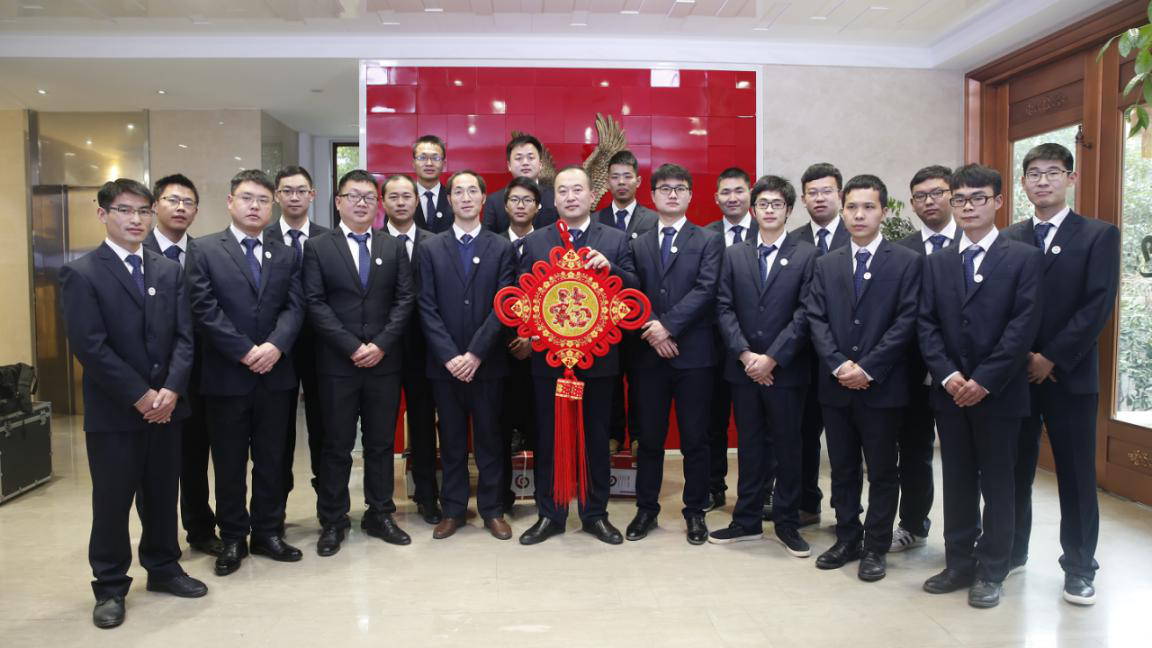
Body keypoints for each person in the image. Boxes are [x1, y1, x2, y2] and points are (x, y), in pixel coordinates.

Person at [61, 178, 207, 629]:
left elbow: (185, 337)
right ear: (103, 214)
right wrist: (140, 395)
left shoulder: (167, 270)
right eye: (125, 210)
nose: (136, 219)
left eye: (143, 211)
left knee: (162, 494)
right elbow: (90, 346)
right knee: (112, 501)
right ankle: (109, 585)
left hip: (168, 407)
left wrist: (172, 390)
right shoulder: (83, 273)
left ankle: (163, 567)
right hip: (115, 413)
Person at [919, 163, 1043, 609]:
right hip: (950, 393)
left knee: (999, 483)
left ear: (998, 201)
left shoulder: (1024, 258)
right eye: (960, 199)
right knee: (956, 481)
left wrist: (985, 379)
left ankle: (992, 570)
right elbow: (926, 324)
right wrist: (949, 375)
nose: (967, 207)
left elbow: (1023, 327)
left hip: (1001, 394)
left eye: (978, 198)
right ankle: (958, 564)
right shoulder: (937, 262)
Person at [1005, 143, 1119, 606]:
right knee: (1014, 470)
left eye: (1053, 172)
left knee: (1075, 474)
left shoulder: (1098, 235)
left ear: (1071, 178)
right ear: (1023, 183)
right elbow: (1001, 306)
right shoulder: (1010, 237)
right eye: (1034, 173)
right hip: (1015, 376)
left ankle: (1079, 567)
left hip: (1069, 377)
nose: (1043, 181)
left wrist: (1050, 356)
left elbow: (1097, 304)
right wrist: (1020, 357)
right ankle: (1011, 551)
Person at [186, 169, 305, 576]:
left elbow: (295, 307)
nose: (255, 206)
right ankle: (234, 536)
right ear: (230, 202)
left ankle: (268, 531)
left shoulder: (286, 254)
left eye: (262, 200)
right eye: (247, 198)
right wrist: (244, 351)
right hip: (226, 377)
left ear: (272, 206)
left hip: (275, 375)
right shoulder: (204, 249)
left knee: (273, 460)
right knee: (230, 462)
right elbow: (204, 309)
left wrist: (275, 346)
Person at [804, 174, 921, 583]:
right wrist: (839, 365)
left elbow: (907, 321)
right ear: (843, 209)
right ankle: (847, 538)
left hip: (883, 387)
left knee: (883, 471)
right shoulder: (826, 263)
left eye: (868, 207)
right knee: (842, 468)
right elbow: (816, 318)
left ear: (883, 212)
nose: (859, 215)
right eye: (852, 207)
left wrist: (868, 367)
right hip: (835, 387)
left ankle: (876, 546)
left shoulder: (906, 261)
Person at [517, 165, 638, 546]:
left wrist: (611, 268)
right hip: (549, 362)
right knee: (550, 438)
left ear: (592, 195)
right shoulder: (536, 242)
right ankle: (550, 514)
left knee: (595, 439)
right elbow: (522, 295)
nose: (570, 197)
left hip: (598, 361)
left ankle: (594, 514)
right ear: (553, 199)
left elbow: (635, 290)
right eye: (563, 191)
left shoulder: (614, 240)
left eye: (577, 190)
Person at [303, 170, 416, 556]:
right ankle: (333, 520)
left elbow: (405, 299)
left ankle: (380, 513)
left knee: (381, 443)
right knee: (335, 444)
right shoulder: (318, 247)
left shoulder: (392, 246)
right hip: (337, 364)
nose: (362, 203)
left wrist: (381, 344)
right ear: (338, 202)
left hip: (384, 363)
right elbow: (315, 303)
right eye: (353, 196)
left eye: (369, 197)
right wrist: (351, 346)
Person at [709, 175, 817, 558]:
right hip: (743, 370)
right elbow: (723, 306)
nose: (769, 210)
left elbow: (806, 312)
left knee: (788, 447)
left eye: (777, 204)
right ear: (753, 211)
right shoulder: (735, 254)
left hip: (786, 371)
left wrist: (772, 357)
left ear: (789, 210)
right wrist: (744, 354)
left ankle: (786, 522)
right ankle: (747, 520)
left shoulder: (807, 255)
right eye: (763, 204)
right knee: (750, 445)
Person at [624, 163, 723, 546]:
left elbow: (706, 289)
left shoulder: (708, 240)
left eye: (680, 188)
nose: (672, 194)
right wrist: (653, 329)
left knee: (695, 439)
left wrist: (668, 327)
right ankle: (646, 509)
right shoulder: (637, 242)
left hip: (693, 356)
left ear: (690, 195)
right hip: (649, 356)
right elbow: (630, 291)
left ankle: (695, 511)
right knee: (649, 438)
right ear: (652, 195)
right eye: (664, 188)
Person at [416, 170, 517, 540]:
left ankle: (492, 509)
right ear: (449, 200)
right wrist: (450, 356)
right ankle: (453, 509)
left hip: (487, 364)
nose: (465, 197)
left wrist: (474, 354)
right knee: (452, 441)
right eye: (458, 192)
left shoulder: (501, 247)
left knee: (490, 439)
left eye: (472, 191)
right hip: (445, 367)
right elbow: (425, 306)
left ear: (483, 198)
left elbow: (503, 306)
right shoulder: (430, 248)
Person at [142, 173, 223, 557]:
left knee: (195, 456)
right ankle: (158, 542)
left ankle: (200, 528)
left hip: (202, 375)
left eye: (188, 202)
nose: (180, 208)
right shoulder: (137, 252)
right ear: (155, 205)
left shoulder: (205, 252)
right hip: (154, 380)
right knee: (155, 466)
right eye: (172, 200)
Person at [890, 164, 956, 553]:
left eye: (937, 193)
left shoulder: (975, 241)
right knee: (914, 454)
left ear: (953, 195)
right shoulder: (901, 251)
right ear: (912, 203)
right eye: (920, 196)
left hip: (963, 374)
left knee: (967, 459)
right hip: (912, 372)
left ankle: (968, 538)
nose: (929, 201)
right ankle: (913, 525)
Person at [785, 162, 850, 526]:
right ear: (803, 198)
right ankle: (806, 504)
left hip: (845, 358)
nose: (820, 198)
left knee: (844, 442)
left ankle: (846, 513)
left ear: (839, 195)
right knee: (803, 436)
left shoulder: (857, 234)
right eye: (813, 193)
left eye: (827, 191)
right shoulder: (792, 240)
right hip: (802, 358)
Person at [267, 165, 329, 529]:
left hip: (322, 350)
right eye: (287, 191)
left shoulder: (329, 238)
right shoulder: (262, 237)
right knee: (278, 435)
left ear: (312, 195)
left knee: (324, 429)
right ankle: (275, 511)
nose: (294, 197)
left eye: (301, 190)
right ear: (277, 196)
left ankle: (328, 509)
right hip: (276, 351)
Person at [382, 173, 442, 525]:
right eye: (394, 196)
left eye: (407, 196)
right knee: (380, 426)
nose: (401, 202)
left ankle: (427, 495)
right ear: (384, 202)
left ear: (417, 201)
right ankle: (380, 503)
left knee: (422, 424)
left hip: (425, 348)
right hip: (383, 350)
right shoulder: (372, 241)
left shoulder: (435, 243)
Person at [595, 150, 658, 456]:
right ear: (607, 182)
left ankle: (638, 435)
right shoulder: (596, 220)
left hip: (641, 315)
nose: (621, 182)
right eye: (615, 177)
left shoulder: (653, 220)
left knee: (641, 381)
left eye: (627, 176)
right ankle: (613, 433)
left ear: (638, 181)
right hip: (603, 317)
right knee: (609, 380)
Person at [703, 167, 755, 512]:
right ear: (716, 198)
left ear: (750, 194)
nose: (733, 198)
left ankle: (758, 493)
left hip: (756, 346)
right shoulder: (704, 236)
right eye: (726, 192)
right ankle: (713, 486)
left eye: (739, 190)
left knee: (755, 426)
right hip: (712, 345)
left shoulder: (768, 232)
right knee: (713, 422)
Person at [499, 176, 542, 508]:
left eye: (528, 200)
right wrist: (511, 338)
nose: (521, 205)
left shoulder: (550, 244)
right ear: (505, 206)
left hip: (541, 354)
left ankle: (546, 500)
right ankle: (501, 498)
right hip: (498, 352)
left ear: (538, 207)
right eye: (515, 199)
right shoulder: (492, 243)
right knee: (498, 429)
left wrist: (533, 338)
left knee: (541, 428)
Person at [482, 134, 559, 232]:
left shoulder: (555, 198)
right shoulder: (494, 202)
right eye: (519, 158)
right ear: (509, 165)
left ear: (540, 164)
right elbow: (488, 238)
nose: (525, 163)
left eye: (531, 157)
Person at [412, 135, 455, 233]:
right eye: (422, 157)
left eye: (435, 158)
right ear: (413, 163)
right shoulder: (402, 198)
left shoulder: (453, 198)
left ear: (444, 164)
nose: (429, 163)